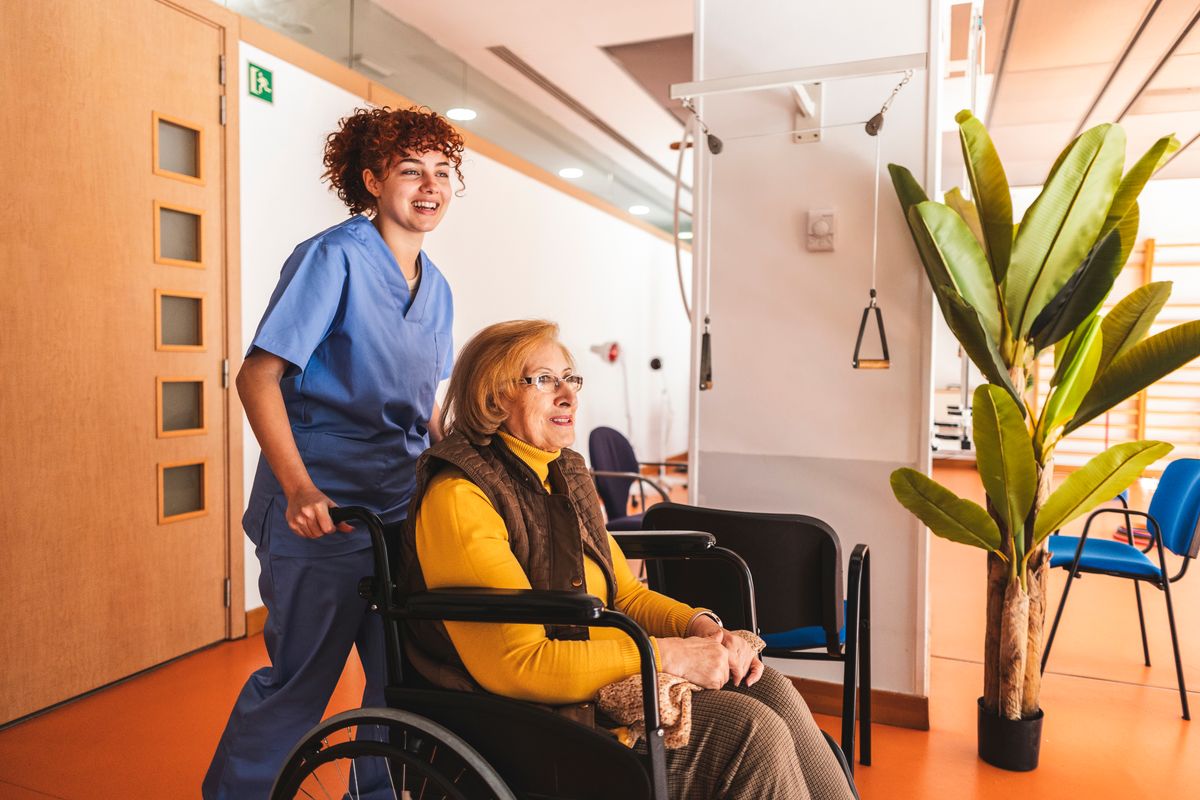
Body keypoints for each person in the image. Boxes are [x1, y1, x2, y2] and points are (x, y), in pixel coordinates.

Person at [401, 320, 855, 800]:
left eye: (570, 379)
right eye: (545, 380)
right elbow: (519, 663)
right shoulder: (460, 496)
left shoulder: (561, 474)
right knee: (749, 732)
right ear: (494, 398)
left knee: (772, 689)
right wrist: (669, 655)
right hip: (536, 722)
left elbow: (628, 594)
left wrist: (701, 628)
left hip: (598, 686)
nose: (568, 396)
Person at [203, 106, 463, 799]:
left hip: (399, 512)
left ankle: (373, 795)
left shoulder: (437, 288)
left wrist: (462, 469)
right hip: (322, 513)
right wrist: (298, 488)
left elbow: (423, 404)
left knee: (399, 682)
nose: (430, 185)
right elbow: (257, 376)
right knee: (301, 683)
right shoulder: (333, 257)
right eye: (411, 170)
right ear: (372, 179)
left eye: (443, 172)